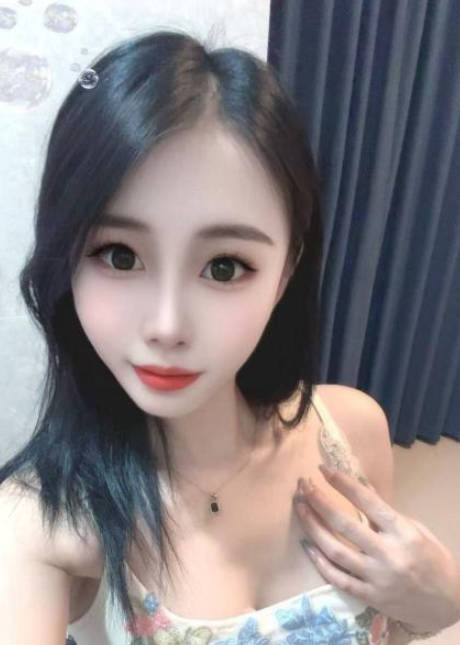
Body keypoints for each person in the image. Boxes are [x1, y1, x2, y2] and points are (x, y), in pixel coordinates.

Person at [0, 28, 457, 645]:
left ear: (286, 271)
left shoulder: (352, 432)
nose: (166, 326)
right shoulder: (42, 520)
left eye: (223, 267)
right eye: (119, 255)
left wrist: (437, 606)